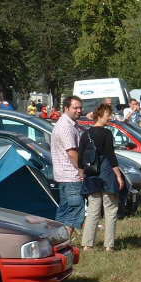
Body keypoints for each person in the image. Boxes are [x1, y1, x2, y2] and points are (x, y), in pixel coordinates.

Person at [78, 103, 125, 252]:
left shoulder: (85, 134)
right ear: (100, 115)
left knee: (93, 210)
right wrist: (119, 176)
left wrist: (81, 173)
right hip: (106, 175)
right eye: (108, 115)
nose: (109, 118)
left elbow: (80, 158)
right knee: (110, 210)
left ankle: (87, 244)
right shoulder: (106, 134)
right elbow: (111, 157)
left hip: (91, 175)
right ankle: (109, 245)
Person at [51, 96, 85, 237]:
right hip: (71, 175)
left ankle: (55, 239)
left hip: (64, 175)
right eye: (75, 108)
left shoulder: (70, 124)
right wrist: (81, 170)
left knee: (64, 210)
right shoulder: (66, 127)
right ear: (66, 108)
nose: (79, 110)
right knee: (75, 209)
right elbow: (71, 153)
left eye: (80, 107)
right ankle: (63, 241)